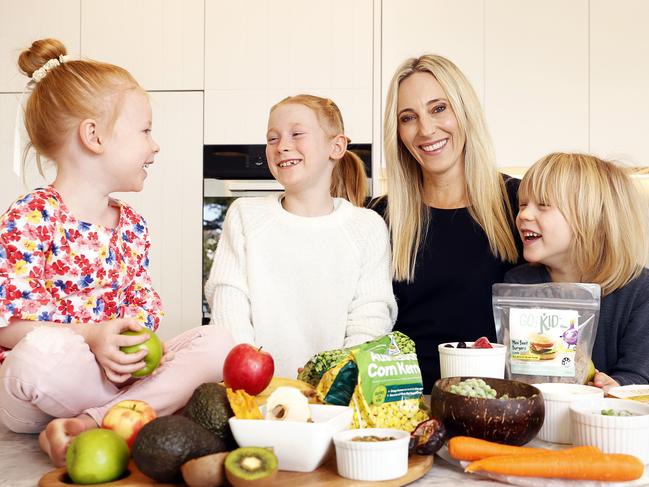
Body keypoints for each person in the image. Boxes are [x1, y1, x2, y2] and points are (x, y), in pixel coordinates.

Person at [0, 39, 234, 467]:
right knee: (39, 355)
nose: (155, 145)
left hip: (114, 385)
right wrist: (92, 337)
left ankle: (94, 422)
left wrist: (132, 352)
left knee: (217, 341)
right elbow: (8, 326)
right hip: (38, 389)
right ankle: (142, 411)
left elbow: (140, 311)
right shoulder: (32, 215)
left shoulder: (133, 226)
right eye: (145, 130)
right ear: (94, 136)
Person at [204, 94, 397, 377]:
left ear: (336, 146)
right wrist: (253, 381)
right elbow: (228, 308)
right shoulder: (245, 215)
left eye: (296, 134)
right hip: (255, 395)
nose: (282, 146)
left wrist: (336, 380)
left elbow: (370, 320)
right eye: (272, 138)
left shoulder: (367, 227)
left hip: (336, 399)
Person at [371, 54, 521, 391]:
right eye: (408, 117)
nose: (425, 129)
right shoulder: (379, 217)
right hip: (402, 406)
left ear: (464, 111)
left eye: (439, 108)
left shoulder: (519, 204)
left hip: (495, 404)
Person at [505, 152, 649, 390]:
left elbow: (639, 378)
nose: (524, 215)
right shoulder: (519, 283)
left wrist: (616, 385)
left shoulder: (640, 292)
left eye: (543, 205)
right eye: (522, 205)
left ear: (592, 217)